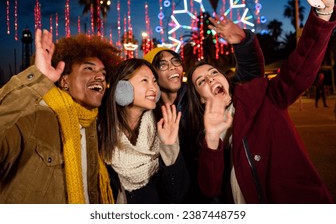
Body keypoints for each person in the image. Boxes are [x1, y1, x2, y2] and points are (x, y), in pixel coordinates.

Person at [186, 0, 335, 203]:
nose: (211, 78)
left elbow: (300, 69)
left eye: (214, 72)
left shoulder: (264, 99)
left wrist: (323, 12)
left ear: (226, 78)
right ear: (201, 98)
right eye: (201, 81)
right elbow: (210, 188)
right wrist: (212, 138)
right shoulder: (206, 137)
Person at [143, 27, 264, 203]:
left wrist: (244, 44)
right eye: (162, 64)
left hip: (215, 194)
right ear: (152, 74)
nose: (173, 67)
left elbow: (248, 78)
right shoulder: (149, 113)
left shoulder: (201, 94)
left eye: (176, 61)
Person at [0, 29, 120, 204]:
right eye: (89, 68)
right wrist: (35, 81)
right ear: (64, 81)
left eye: (103, 73)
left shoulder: (96, 128)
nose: (100, 77)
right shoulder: (34, 117)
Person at [98, 58, 189, 203]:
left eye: (154, 81)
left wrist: (169, 147)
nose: (154, 87)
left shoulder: (164, 126)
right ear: (122, 88)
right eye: (145, 81)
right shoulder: (100, 131)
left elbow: (178, 195)